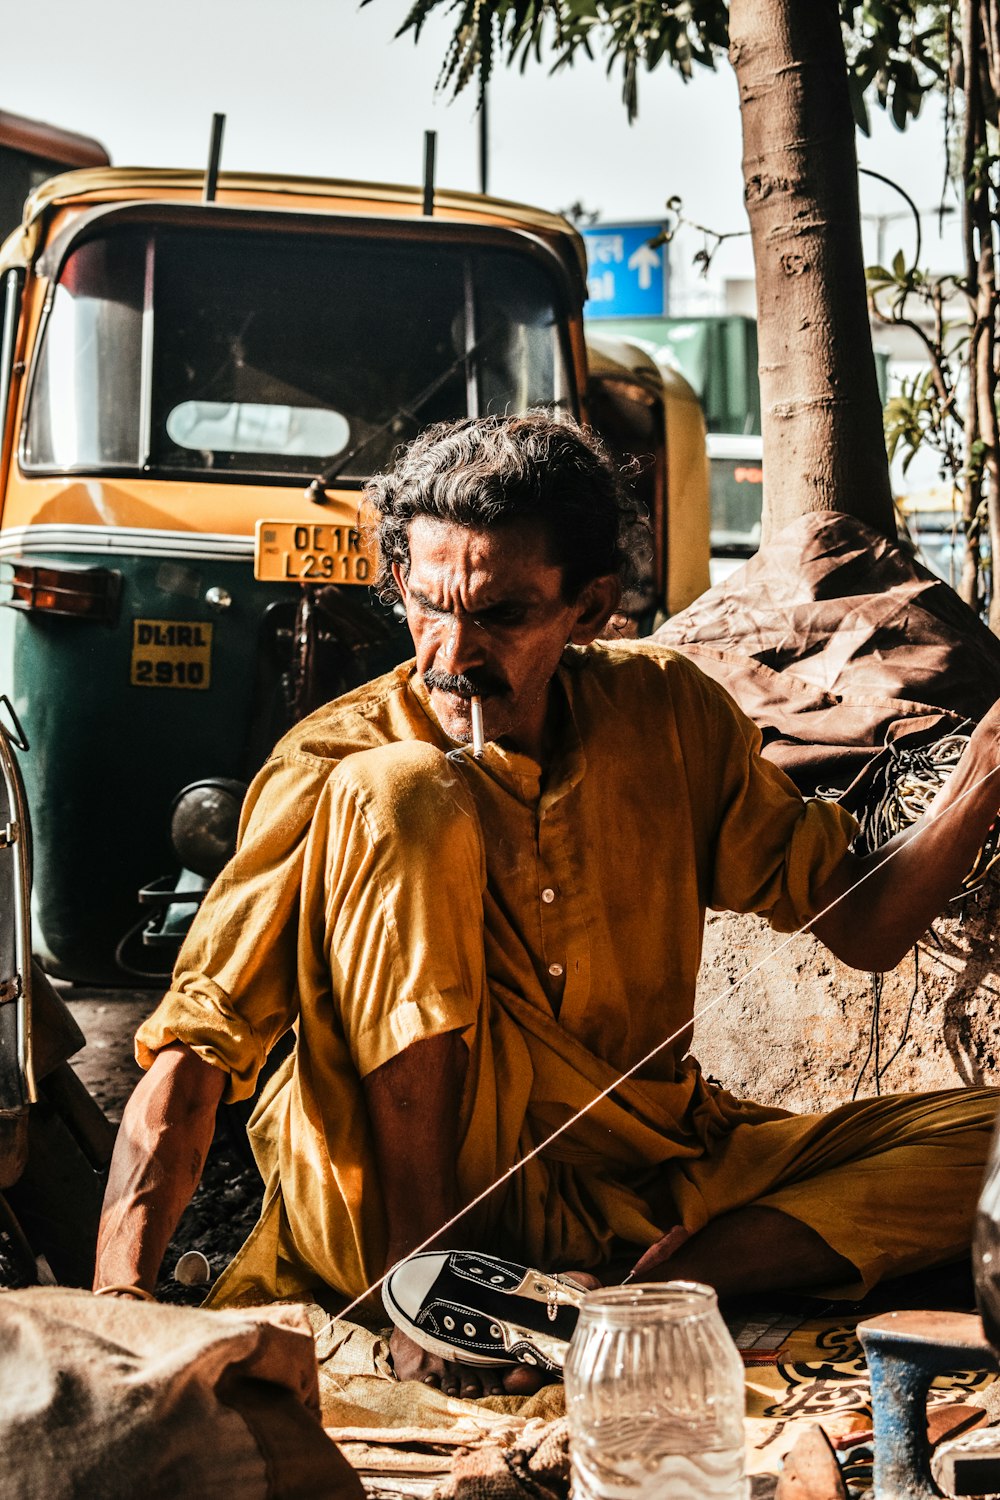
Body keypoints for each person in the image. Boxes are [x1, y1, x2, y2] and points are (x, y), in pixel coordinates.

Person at [95, 411, 1000, 1400]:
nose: (453, 651)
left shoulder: (667, 708)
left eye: (500, 616)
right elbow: (194, 1049)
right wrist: (115, 1311)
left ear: (593, 607)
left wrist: (983, 772)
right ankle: (424, 1295)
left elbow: (863, 928)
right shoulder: (332, 761)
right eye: (428, 606)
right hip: (379, 1208)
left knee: (988, 1150)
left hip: (632, 1187)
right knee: (403, 787)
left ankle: (643, 1291)